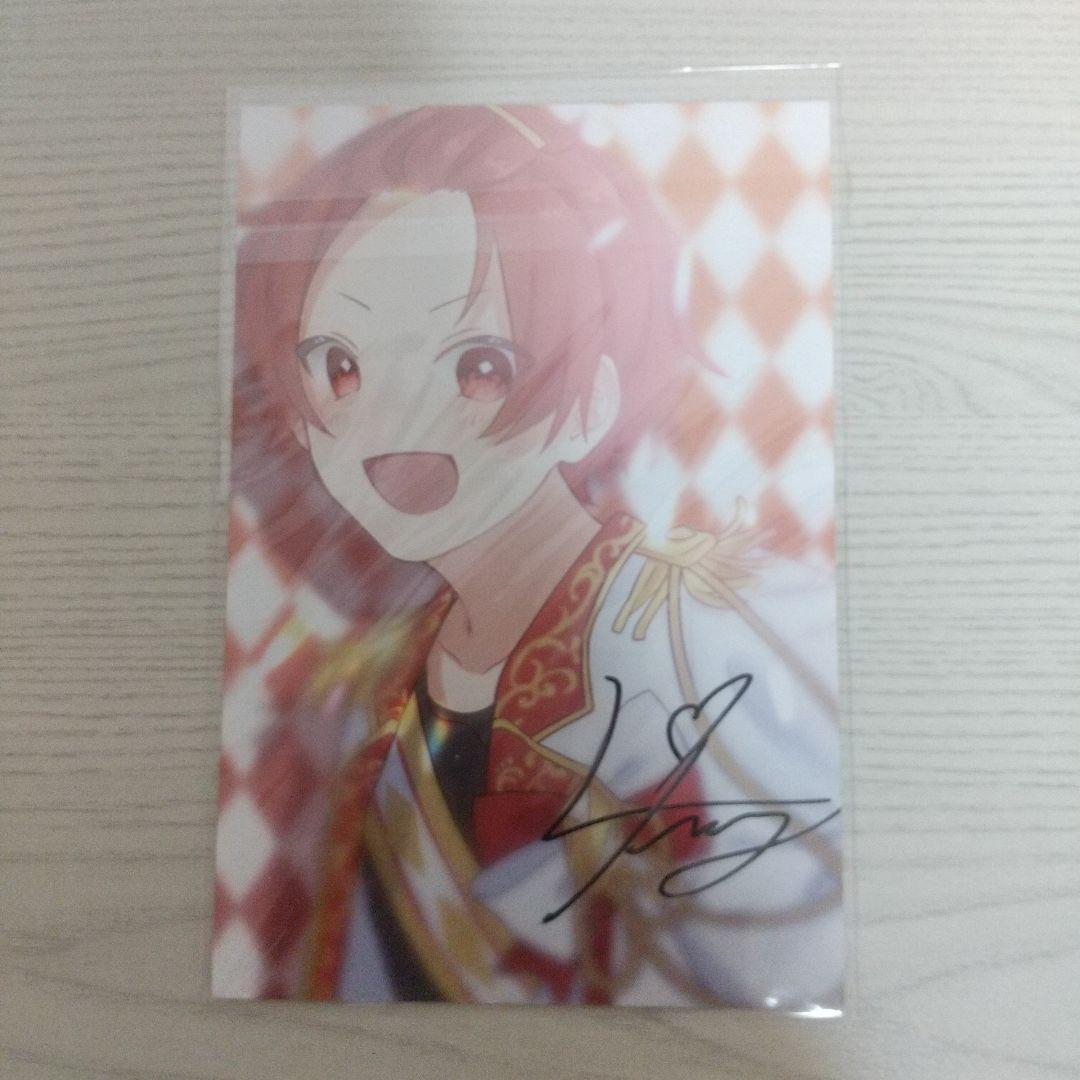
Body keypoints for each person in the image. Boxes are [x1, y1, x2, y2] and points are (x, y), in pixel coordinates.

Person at [232, 104, 843, 1007]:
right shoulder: (378, 698)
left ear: (591, 400)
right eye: (343, 368)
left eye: (478, 366)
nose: (397, 421)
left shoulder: (716, 639)